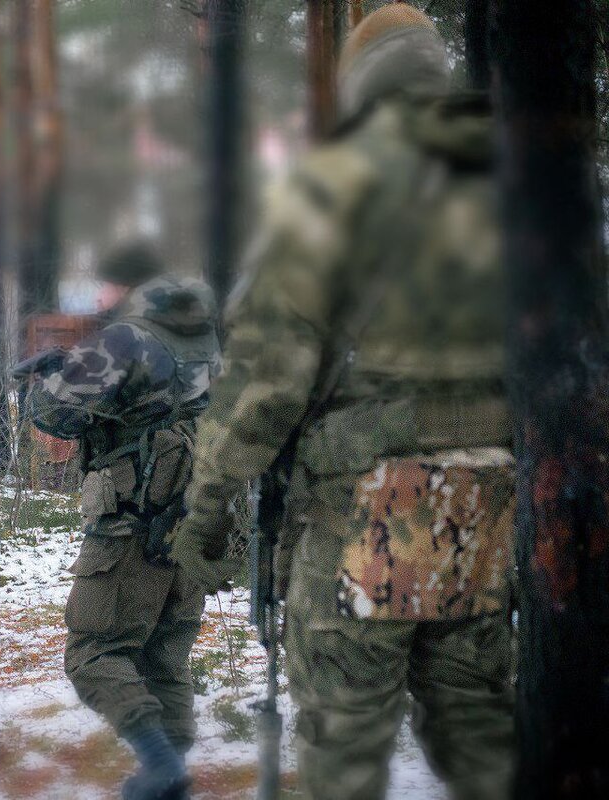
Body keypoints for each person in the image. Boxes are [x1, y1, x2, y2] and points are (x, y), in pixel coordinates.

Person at [173, 8, 515, 799]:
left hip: (369, 506)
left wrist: (207, 511)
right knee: (478, 720)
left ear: (361, 83)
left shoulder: (334, 185)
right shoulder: (515, 182)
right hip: (491, 495)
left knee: (345, 738)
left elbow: (265, 377)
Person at [24, 241, 222, 800]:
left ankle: (160, 763)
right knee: (166, 649)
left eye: (105, 285)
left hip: (130, 520)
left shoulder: (125, 335)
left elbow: (59, 416)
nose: (100, 296)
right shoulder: (206, 334)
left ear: (125, 286)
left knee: (94, 653)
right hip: (195, 516)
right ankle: (171, 766)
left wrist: (49, 379)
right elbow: (164, 402)